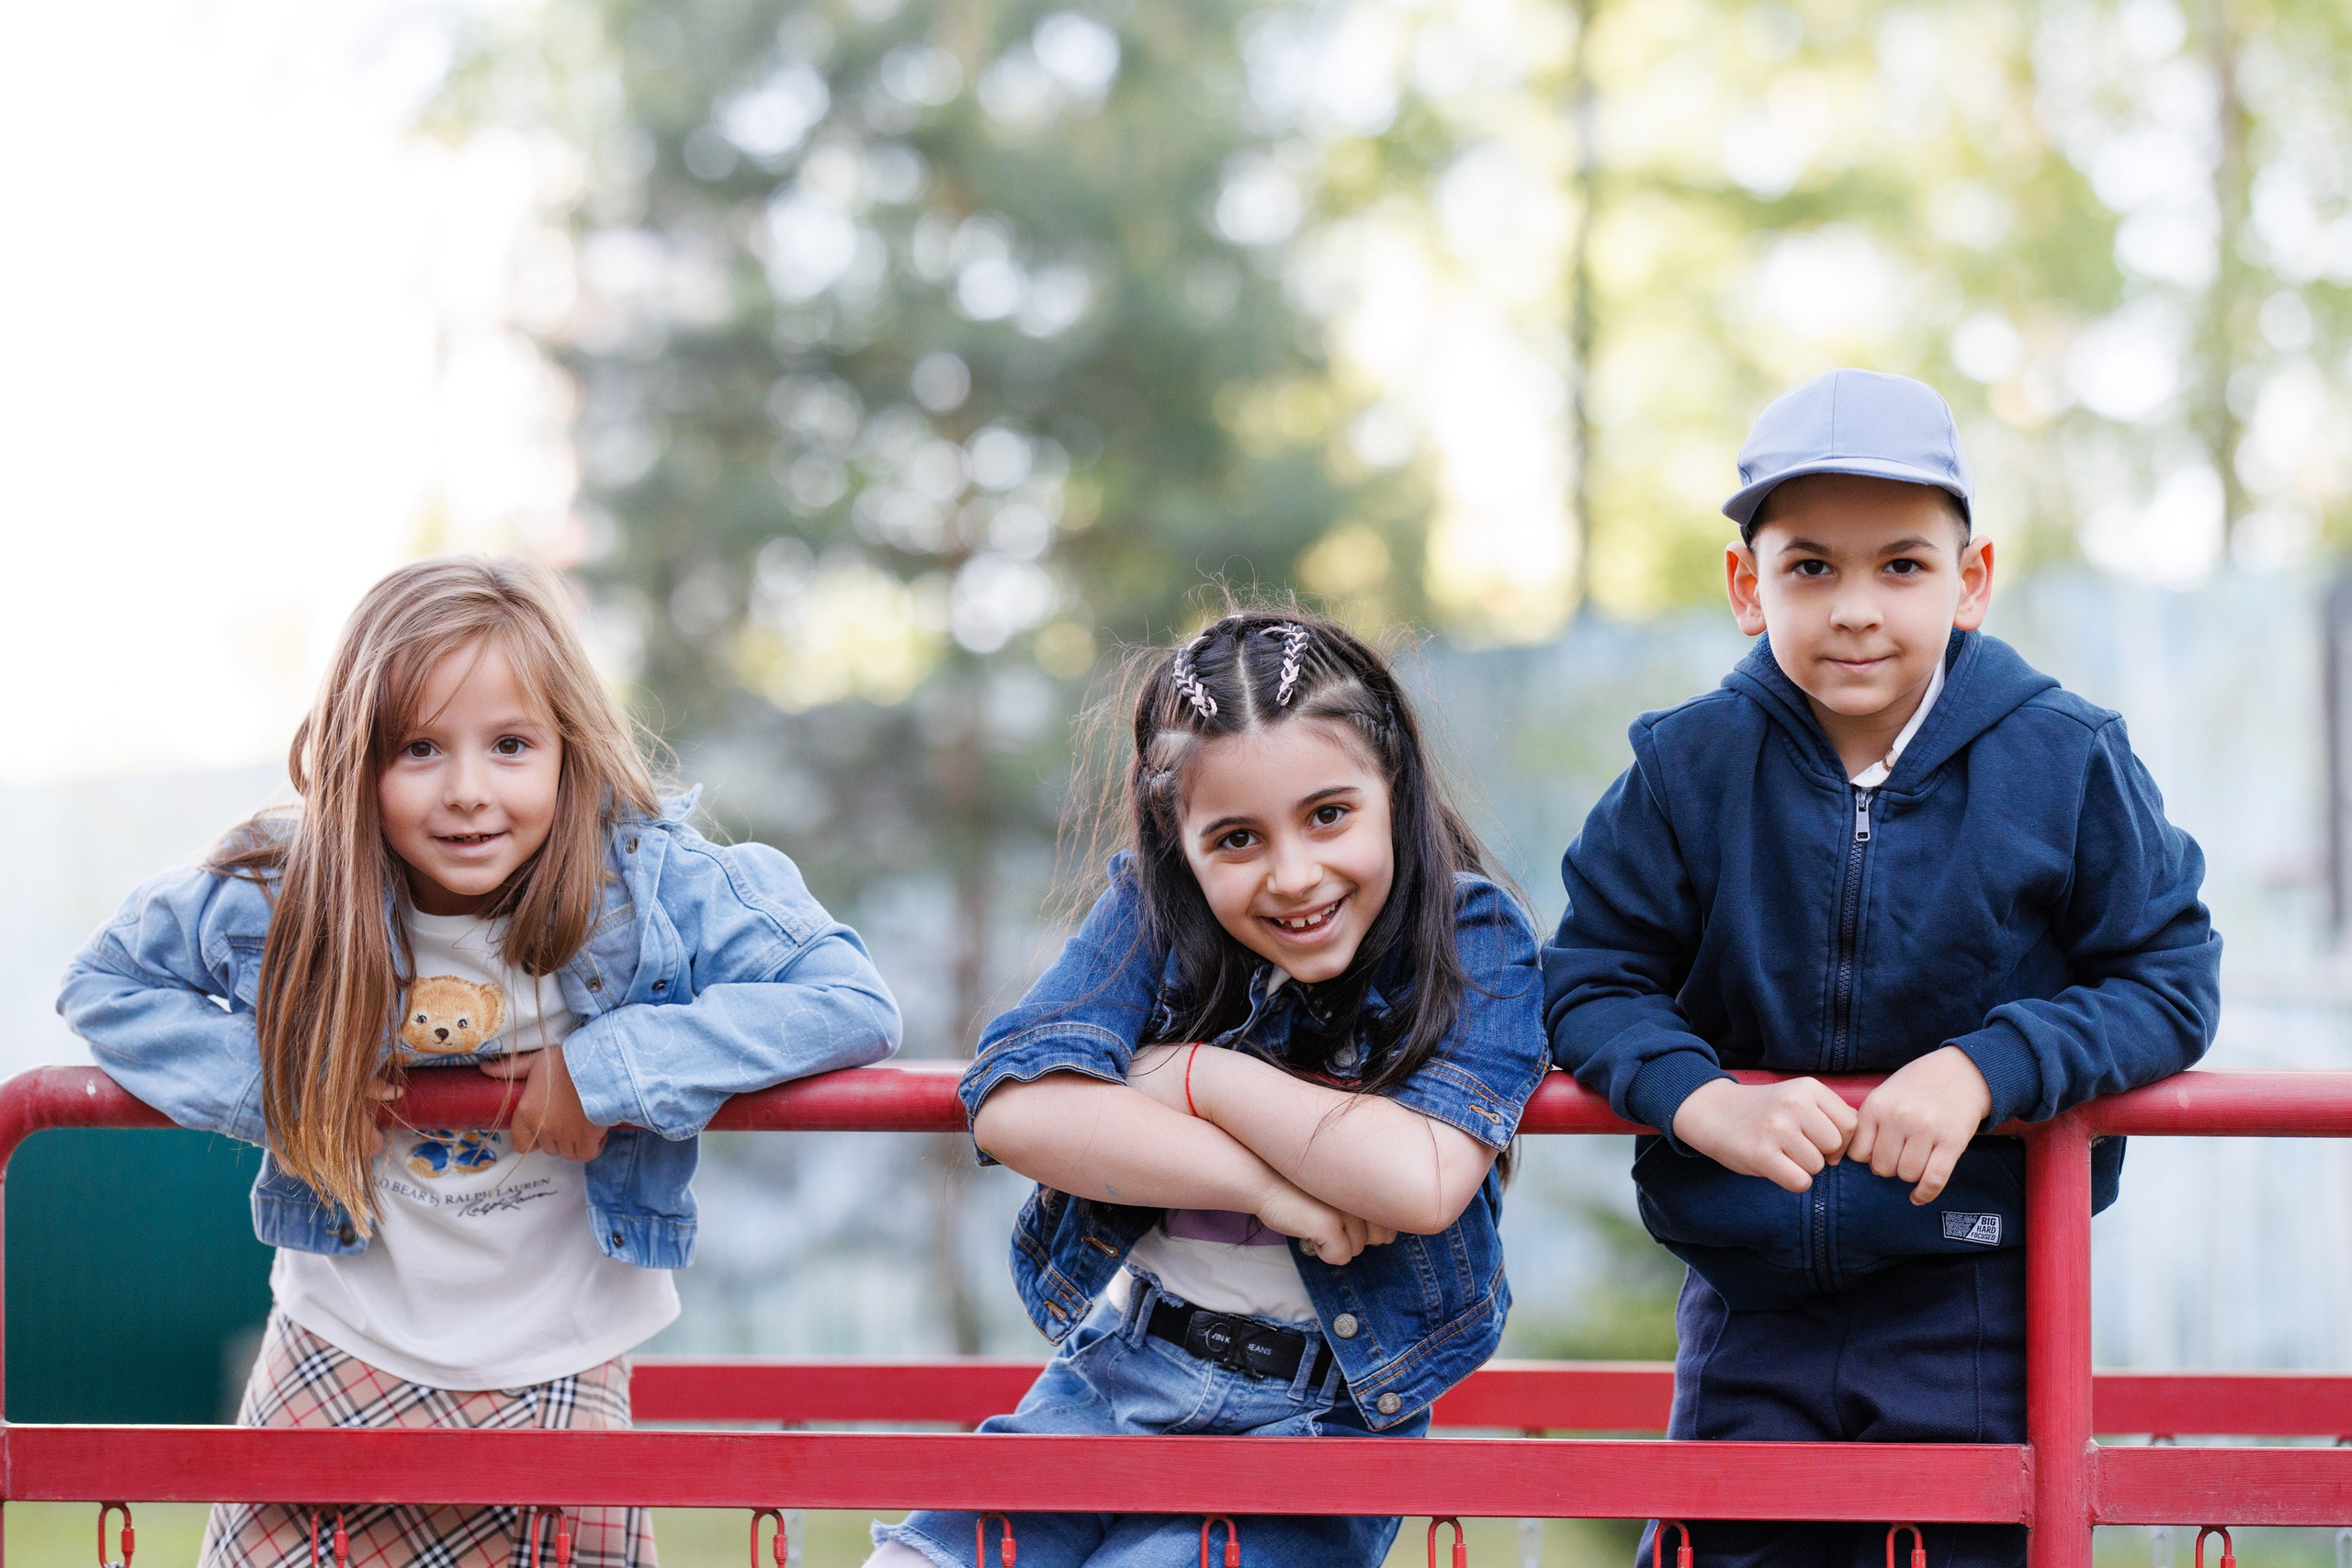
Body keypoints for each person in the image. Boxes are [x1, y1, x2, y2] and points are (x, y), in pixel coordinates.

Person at [59, 557, 901, 1568]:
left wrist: (613, 1070)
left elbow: (848, 1001)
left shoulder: (652, 884)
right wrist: (284, 1081)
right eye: (419, 748)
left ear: (566, 749)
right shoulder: (293, 891)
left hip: (561, 1366)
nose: (467, 793)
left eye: (509, 746)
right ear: (356, 759)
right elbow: (105, 982)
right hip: (338, 1347)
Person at [1544, 368, 2222, 1568]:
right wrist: (1709, 1103)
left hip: (1974, 1296)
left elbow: (2168, 976)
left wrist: (1985, 1065)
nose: (1857, 606)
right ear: (1750, 587)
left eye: (1901, 564)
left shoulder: (2063, 759)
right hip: (1748, 1301)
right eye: (1813, 565)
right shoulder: (1686, 768)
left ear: (1971, 580)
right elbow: (1589, 974)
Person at [866, 609, 1548, 1568]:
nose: (1293, 876)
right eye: (1236, 839)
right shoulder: (1153, 916)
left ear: (1391, 786)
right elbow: (1017, 1105)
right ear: (1176, 841)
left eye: (1327, 815)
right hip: (1112, 1381)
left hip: (1315, 1426)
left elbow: (1419, 1181)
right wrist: (1268, 1190)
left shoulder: (1471, 938)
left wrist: (1195, 1074)